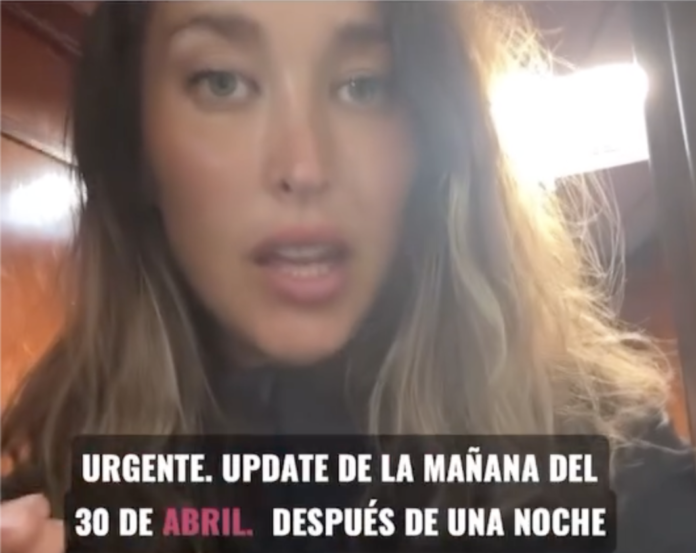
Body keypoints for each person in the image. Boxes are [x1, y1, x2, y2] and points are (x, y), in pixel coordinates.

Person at [1, 1, 695, 552]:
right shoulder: (51, 500)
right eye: (223, 82)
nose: (305, 166)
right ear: (137, 144)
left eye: (363, 85)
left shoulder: (613, 472)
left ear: (433, 131)